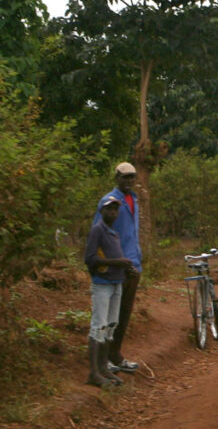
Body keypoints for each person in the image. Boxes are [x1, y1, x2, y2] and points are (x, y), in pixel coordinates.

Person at [93, 162, 142, 374]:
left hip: (133, 263)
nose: (129, 181)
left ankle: (116, 354)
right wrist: (118, 262)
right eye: (125, 177)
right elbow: (101, 233)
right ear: (117, 178)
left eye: (132, 177)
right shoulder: (110, 202)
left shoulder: (134, 200)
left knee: (124, 314)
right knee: (109, 317)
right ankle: (104, 360)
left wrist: (136, 259)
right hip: (116, 266)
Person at [84, 196, 135, 387]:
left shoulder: (113, 232)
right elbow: (90, 258)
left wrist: (125, 267)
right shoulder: (97, 230)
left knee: (111, 325)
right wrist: (117, 263)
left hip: (116, 282)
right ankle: (94, 373)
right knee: (99, 326)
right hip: (102, 283)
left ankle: (103, 368)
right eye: (109, 209)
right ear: (101, 211)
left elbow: (112, 257)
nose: (113, 213)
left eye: (115, 209)